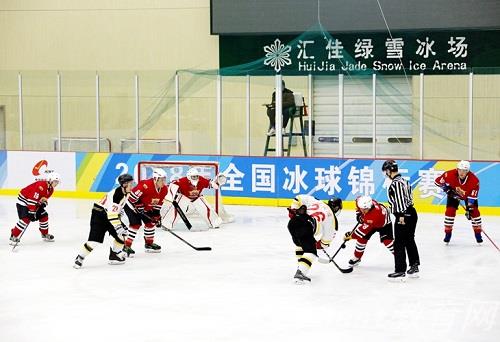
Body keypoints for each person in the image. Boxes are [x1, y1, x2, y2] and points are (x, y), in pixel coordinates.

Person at [73, 174, 134, 269]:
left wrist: (120, 215)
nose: (132, 186)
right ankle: (80, 257)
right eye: (130, 184)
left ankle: (115, 255)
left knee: (121, 234)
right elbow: (112, 215)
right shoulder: (117, 195)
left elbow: (117, 209)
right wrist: (118, 227)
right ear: (124, 184)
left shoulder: (126, 192)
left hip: (109, 214)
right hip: (99, 215)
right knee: (94, 241)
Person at [287, 195, 342, 284]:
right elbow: (326, 241)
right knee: (311, 252)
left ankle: (300, 266)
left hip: (293, 222)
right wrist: (319, 245)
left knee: (300, 245)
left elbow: (298, 198)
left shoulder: (318, 202)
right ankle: (300, 273)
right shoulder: (333, 220)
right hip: (307, 227)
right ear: (337, 208)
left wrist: (294, 208)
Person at [382, 160, 420, 280]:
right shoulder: (404, 181)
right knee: (409, 240)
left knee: (399, 242)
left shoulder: (395, 184)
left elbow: (400, 203)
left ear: (389, 171)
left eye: (386, 172)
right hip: (411, 213)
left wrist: (401, 216)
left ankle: (400, 270)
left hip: (403, 215)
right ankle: (414, 265)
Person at [434, 160, 482, 244]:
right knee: (450, 212)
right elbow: (437, 182)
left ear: (468, 171)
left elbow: (472, 198)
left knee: (474, 212)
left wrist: (469, 209)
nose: (462, 172)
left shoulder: (474, 180)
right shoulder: (448, 174)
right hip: (453, 194)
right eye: (460, 170)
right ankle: (448, 234)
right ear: (457, 169)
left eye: (464, 171)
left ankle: (478, 234)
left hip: (468, 196)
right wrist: (446, 188)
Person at [163, 168, 227, 230]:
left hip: (197, 196)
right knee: (177, 209)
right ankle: (167, 224)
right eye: (193, 177)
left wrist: (216, 182)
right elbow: (172, 184)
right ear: (188, 177)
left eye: (196, 176)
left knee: (206, 207)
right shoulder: (182, 181)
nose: (196, 178)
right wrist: (170, 196)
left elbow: (212, 184)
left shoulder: (201, 180)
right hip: (184, 196)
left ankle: (214, 222)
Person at [123, 168, 168, 257]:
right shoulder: (144, 185)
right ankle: (126, 246)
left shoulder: (164, 190)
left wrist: (157, 216)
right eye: (161, 180)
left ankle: (149, 244)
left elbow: (158, 205)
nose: (163, 182)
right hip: (131, 206)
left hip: (145, 207)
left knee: (151, 223)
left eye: (164, 179)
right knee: (135, 224)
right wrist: (139, 205)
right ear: (155, 179)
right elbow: (131, 198)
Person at [9, 171, 61, 245]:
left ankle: (44, 234)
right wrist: (31, 212)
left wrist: (43, 203)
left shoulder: (51, 190)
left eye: (57, 182)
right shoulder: (41, 185)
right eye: (55, 181)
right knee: (25, 219)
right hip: (23, 202)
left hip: (32, 202)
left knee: (44, 215)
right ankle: (13, 235)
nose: (56, 183)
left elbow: (44, 199)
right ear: (50, 180)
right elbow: (31, 199)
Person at [344, 195, 394, 267]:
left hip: (383, 224)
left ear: (370, 206)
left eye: (366, 209)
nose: (364, 211)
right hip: (370, 222)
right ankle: (357, 258)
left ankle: (400, 257)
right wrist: (359, 216)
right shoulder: (360, 201)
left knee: (388, 242)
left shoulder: (375, 213)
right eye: (362, 209)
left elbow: (361, 231)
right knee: (362, 239)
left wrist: (351, 235)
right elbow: (358, 209)